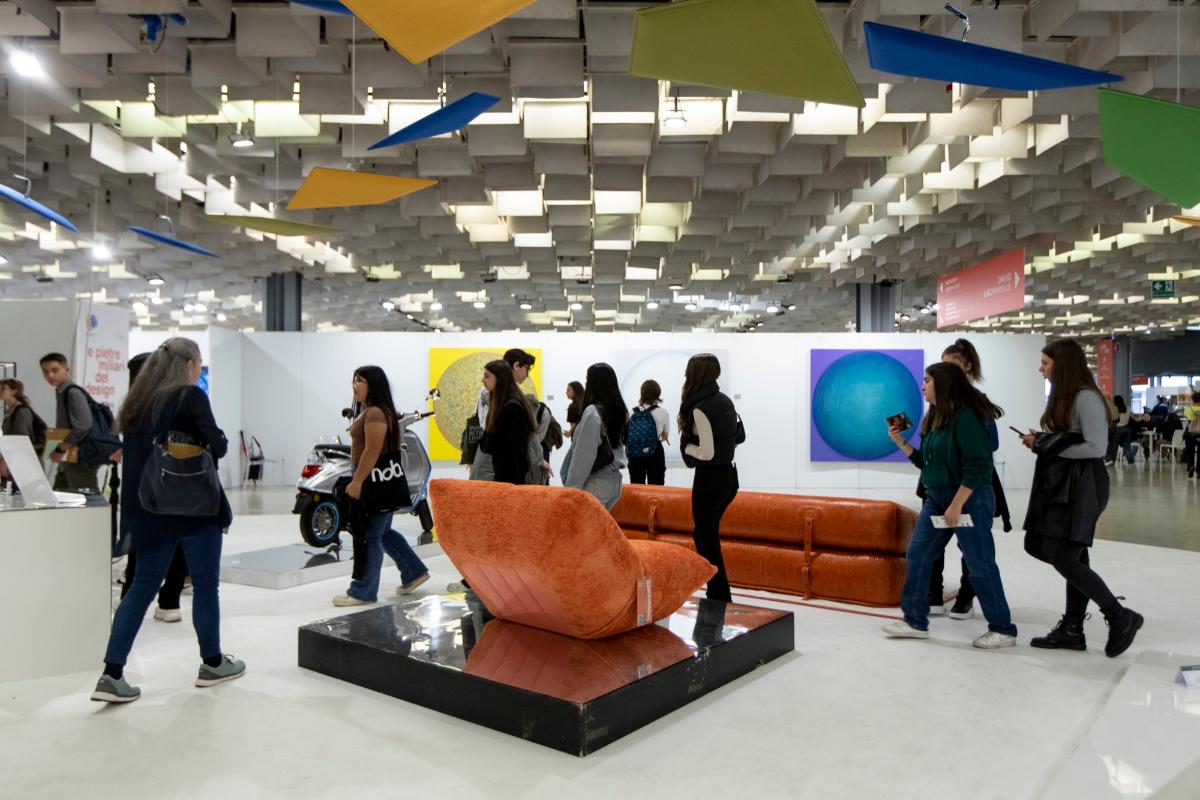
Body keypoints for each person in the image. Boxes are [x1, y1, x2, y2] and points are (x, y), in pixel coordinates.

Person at [91, 338, 244, 703]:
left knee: (142, 587)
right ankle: (212, 663)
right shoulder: (190, 396)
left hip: (150, 508)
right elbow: (218, 445)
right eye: (199, 363)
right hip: (195, 507)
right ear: (189, 364)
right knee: (205, 585)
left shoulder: (137, 403)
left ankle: (111, 674)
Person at [1019, 339, 1143, 658]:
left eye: (1045, 363)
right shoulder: (1070, 398)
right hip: (1066, 485)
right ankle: (1073, 628)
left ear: (1062, 365)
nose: (1041, 369)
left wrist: (1044, 443)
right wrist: (1042, 440)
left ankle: (1119, 616)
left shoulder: (1086, 398)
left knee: (1065, 558)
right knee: (1063, 555)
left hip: (1084, 486)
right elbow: (1071, 440)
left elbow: (1095, 447)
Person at [883, 362, 1018, 649]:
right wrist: (900, 442)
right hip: (936, 498)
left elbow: (979, 467)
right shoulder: (934, 417)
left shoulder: (966, 417)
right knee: (918, 553)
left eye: (927, 380)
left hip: (968, 498)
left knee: (979, 562)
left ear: (943, 384)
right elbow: (926, 463)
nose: (922, 386)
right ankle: (914, 621)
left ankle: (1003, 628)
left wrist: (957, 505)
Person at [927, 339, 1012, 621]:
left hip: (967, 485)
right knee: (929, 543)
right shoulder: (937, 402)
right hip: (938, 484)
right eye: (941, 366)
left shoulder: (976, 402)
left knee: (972, 547)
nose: (944, 373)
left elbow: (989, 446)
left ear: (967, 368)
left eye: (951, 366)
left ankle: (967, 597)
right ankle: (931, 593)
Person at [332, 366, 430, 607]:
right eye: (354, 380)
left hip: (371, 478)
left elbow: (373, 450)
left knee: (370, 536)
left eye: (360, 381)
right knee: (382, 533)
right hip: (379, 479)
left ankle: (363, 591)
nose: (354, 386)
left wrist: (357, 481)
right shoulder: (375, 410)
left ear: (373, 385)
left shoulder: (375, 412)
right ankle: (413, 572)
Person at [117, 352, 189, 622]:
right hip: (170, 485)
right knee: (174, 543)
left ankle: (130, 602)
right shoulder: (175, 403)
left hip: (143, 487)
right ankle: (169, 603)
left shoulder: (134, 408)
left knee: (141, 544)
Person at [679, 354, 743, 603]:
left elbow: (706, 452)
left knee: (707, 540)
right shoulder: (725, 401)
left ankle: (720, 595)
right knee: (703, 536)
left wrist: (687, 448)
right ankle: (716, 591)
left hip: (709, 480)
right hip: (728, 477)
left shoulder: (700, 408)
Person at [562, 363, 627, 511]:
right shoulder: (619, 410)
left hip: (595, 483)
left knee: (584, 527)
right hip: (613, 482)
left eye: (587, 380)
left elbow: (584, 455)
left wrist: (570, 491)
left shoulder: (593, 413)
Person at [40, 352, 101, 492]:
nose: (50, 375)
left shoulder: (72, 393)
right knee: (60, 497)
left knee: (85, 499)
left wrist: (60, 449)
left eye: (55, 370)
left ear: (66, 370)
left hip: (80, 457)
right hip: (69, 458)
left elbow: (83, 425)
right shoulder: (62, 392)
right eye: (45, 372)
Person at [478, 361, 535, 485]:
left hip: (510, 477)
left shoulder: (511, 408)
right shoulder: (507, 404)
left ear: (500, 379)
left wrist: (486, 437)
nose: (483, 380)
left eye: (487, 376)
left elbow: (492, 445)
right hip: (508, 475)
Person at [626, 379, 670, 485]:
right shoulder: (663, 412)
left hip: (635, 452)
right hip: (655, 452)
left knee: (636, 487)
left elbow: (627, 434)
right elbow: (664, 436)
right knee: (656, 488)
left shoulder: (632, 412)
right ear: (658, 394)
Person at [1111, 395, 1137, 466]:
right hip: (1126, 429)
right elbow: (1134, 418)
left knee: (1114, 446)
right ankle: (1131, 462)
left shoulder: (1114, 409)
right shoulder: (1127, 408)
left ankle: (1112, 461)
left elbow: (1113, 419)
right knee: (1127, 447)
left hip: (1117, 429)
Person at [1183, 391, 1200, 478]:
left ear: (1192, 399)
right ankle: (1199, 471)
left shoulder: (1188, 409)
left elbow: (1188, 420)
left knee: (1190, 452)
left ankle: (1191, 466)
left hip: (1190, 433)